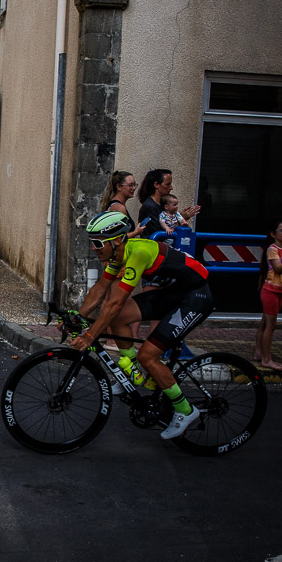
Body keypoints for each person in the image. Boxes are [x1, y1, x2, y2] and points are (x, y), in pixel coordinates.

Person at [70, 210, 214, 439]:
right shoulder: (118, 255)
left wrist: (89, 337)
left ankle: (185, 410)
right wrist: (76, 317)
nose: (94, 248)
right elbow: (100, 290)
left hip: (196, 297)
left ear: (117, 239)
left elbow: (116, 301)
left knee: (148, 354)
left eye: (97, 243)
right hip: (174, 293)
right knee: (118, 320)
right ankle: (134, 374)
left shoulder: (137, 253)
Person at [254, 217, 282, 372]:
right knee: (271, 325)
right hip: (270, 290)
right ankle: (267, 359)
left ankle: (259, 352)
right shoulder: (272, 249)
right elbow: (278, 268)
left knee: (264, 323)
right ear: (274, 234)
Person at [137, 168, 200, 239]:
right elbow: (160, 234)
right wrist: (181, 220)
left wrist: (175, 216)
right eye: (168, 184)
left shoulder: (161, 204)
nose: (171, 188)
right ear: (156, 184)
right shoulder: (150, 206)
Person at [99, 171, 144, 238]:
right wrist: (136, 232)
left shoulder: (114, 204)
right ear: (119, 187)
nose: (134, 188)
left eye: (135, 185)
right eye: (130, 185)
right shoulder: (119, 208)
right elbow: (118, 238)